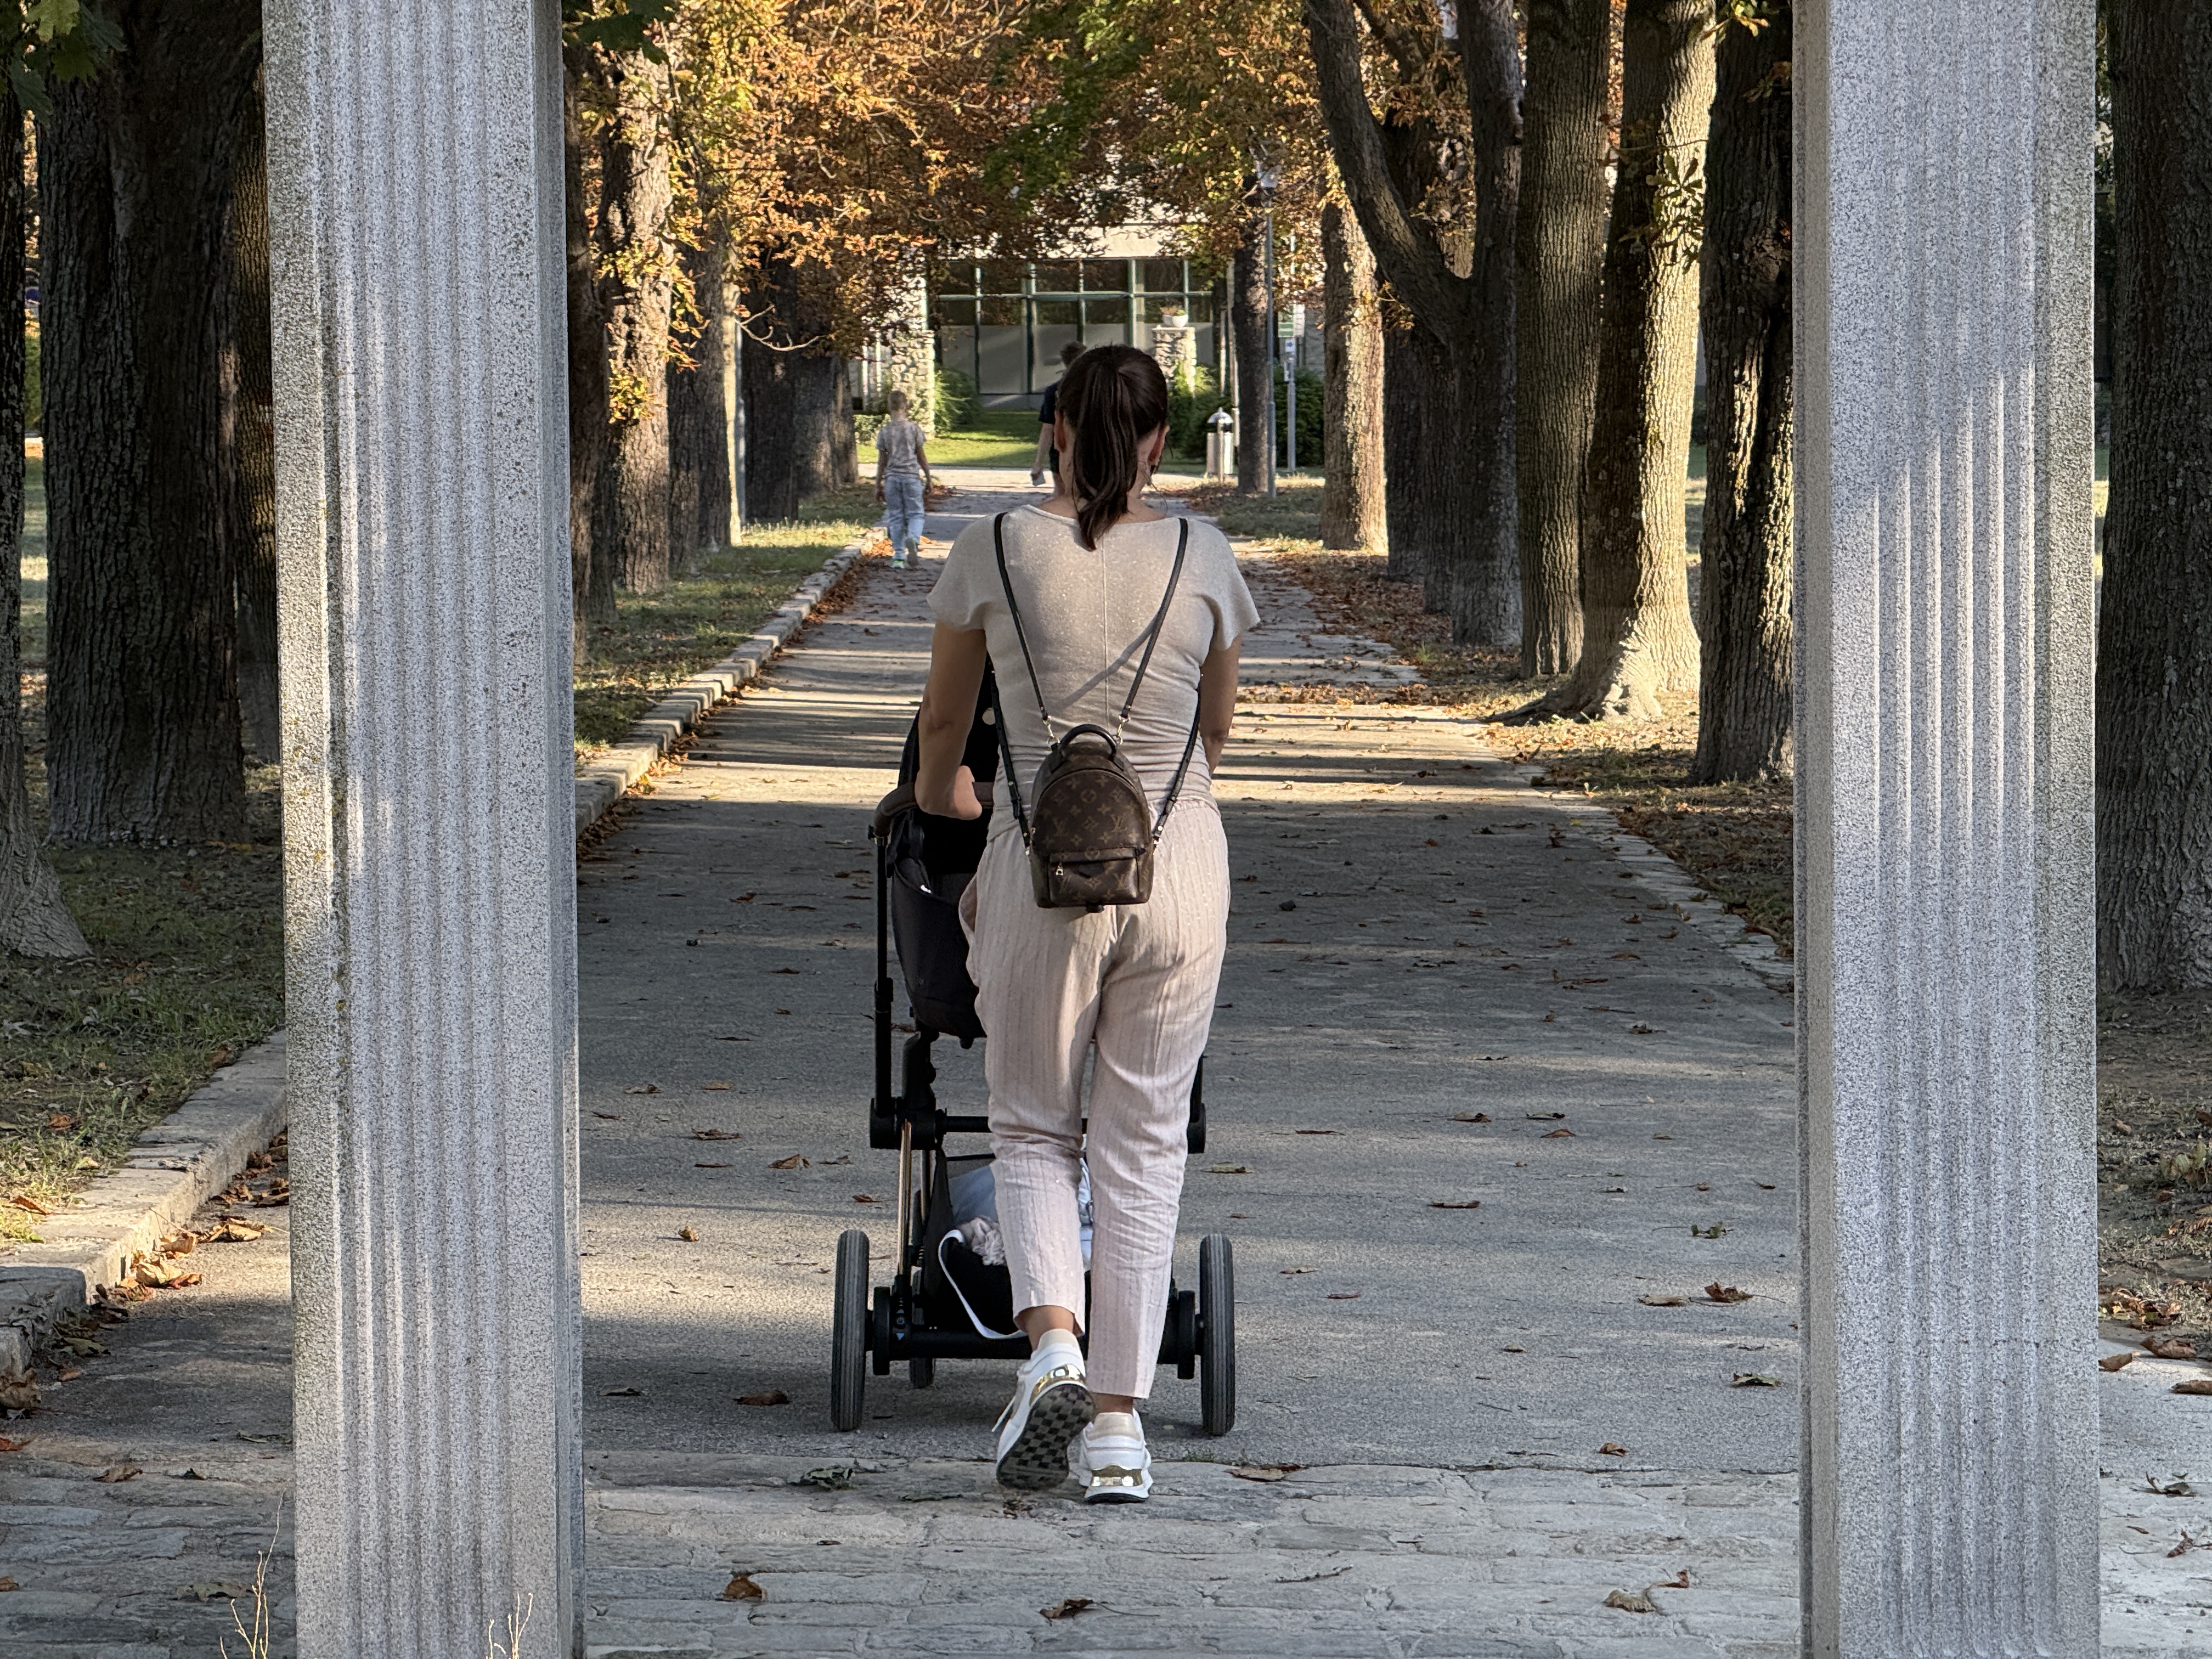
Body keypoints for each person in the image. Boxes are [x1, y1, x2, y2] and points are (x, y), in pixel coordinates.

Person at [915, 344, 1256, 1502]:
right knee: (1145, 1138)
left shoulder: (993, 548)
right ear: (1159, 440)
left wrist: (957, 802)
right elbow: (1212, 739)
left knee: (1031, 1129)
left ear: (1055, 426)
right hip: (1179, 869)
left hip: (1039, 870)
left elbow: (942, 744)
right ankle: (1118, 1428)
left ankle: (1050, 1345)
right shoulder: (1204, 557)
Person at [876, 388, 932, 568]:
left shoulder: (884, 432)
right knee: (916, 513)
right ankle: (914, 540)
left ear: (888, 408)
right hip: (911, 478)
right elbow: (921, 456)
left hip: (892, 478)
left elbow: (882, 461)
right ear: (907, 407)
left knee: (896, 516)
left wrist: (878, 483)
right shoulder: (914, 429)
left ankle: (899, 556)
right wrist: (929, 477)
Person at [1028, 340, 1087, 487]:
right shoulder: (1094, 389)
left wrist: (1038, 462)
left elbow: (1048, 428)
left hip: (1061, 446)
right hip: (1090, 447)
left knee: (1061, 494)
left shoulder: (1055, 390)